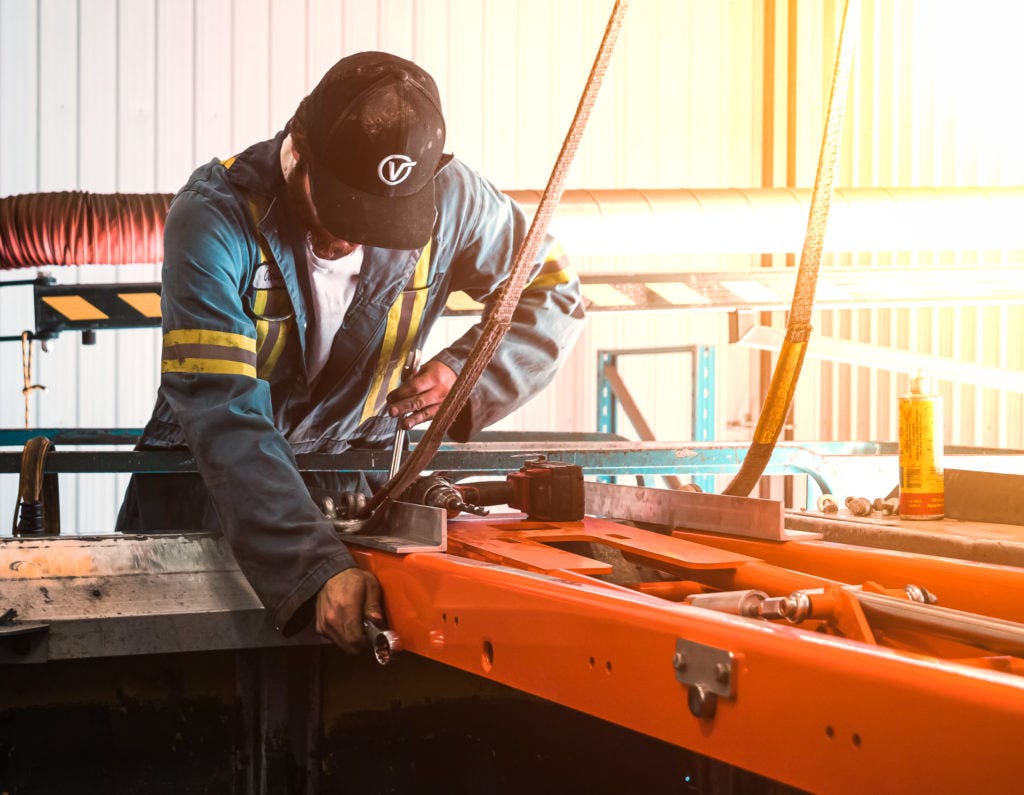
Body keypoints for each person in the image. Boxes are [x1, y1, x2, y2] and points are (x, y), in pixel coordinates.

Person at [115, 51, 585, 652]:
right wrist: (315, 565)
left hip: (354, 483)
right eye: (343, 211)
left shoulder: (457, 201)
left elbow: (553, 291)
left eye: (384, 219)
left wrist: (466, 374)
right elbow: (221, 406)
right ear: (299, 151)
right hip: (203, 484)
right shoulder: (215, 216)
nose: (356, 236)